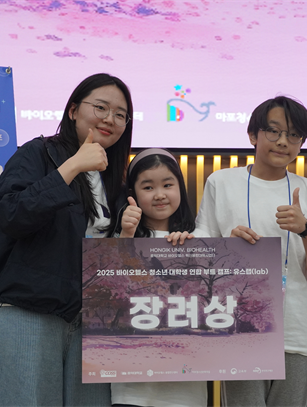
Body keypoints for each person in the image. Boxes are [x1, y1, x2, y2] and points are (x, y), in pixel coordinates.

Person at [0, 73, 134, 406]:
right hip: (26, 312)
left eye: (120, 114)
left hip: (88, 321)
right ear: (73, 110)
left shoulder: (114, 180)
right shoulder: (38, 153)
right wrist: (71, 167)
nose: (110, 119)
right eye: (101, 107)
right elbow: (11, 215)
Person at [195, 96, 307, 406]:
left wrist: (305, 230)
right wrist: (228, 245)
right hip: (238, 328)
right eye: (274, 131)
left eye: (294, 135)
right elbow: (200, 258)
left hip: (294, 331)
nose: (283, 141)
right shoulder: (221, 182)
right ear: (253, 135)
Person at [109, 148, 208, 407]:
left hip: (186, 388)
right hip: (130, 386)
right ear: (132, 194)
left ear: (180, 188)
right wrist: (126, 235)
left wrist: (193, 250)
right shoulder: (121, 238)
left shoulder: (200, 239)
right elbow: (110, 287)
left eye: (167, 184)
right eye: (148, 187)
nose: (160, 194)